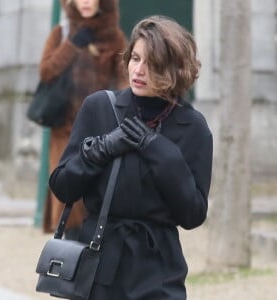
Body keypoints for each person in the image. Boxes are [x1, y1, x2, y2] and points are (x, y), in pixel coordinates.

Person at [49, 15, 213, 300]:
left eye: (152, 63)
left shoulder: (192, 126)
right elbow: (62, 186)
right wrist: (101, 149)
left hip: (159, 270)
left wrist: (157, 148)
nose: (139, 70)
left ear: (174, 69)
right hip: (97, 266)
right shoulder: (100, 107)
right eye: (135, 58)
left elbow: (193, 214)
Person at [39, 0, 128, 236]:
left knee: (96, 200)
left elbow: (124, 79)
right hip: (65, 131)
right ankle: (67, 255)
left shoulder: (114, 37)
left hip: (101, 130)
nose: (86, 1)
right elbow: (46, 72)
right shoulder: (62, 33)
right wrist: (71, 46)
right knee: (68, 197)